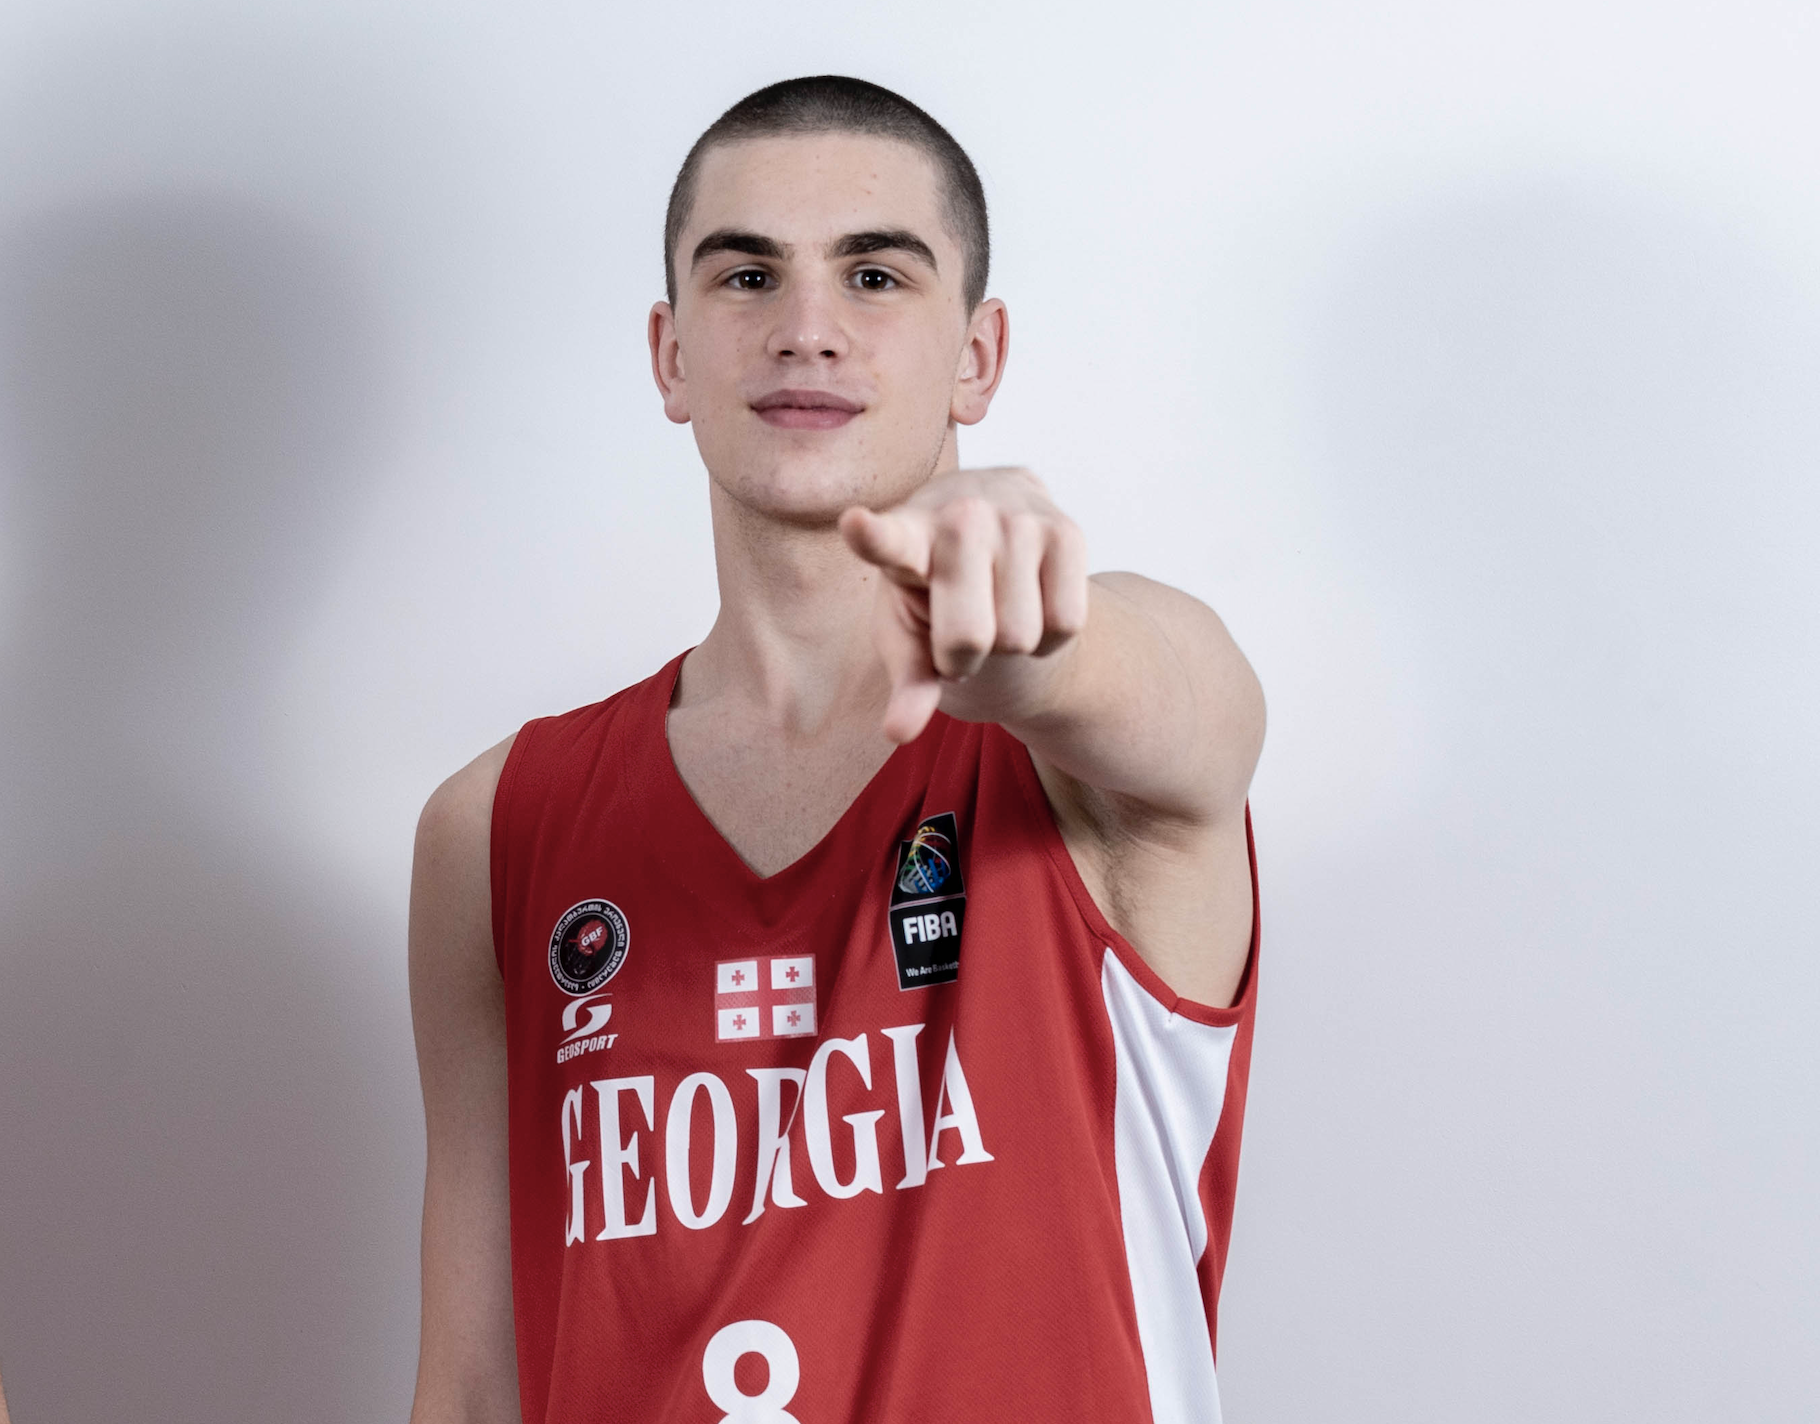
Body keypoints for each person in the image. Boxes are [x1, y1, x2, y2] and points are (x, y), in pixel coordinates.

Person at [407, 76, 1265, 1424]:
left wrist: (1036, 647)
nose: (806, 329)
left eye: (875, 276)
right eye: (747, 276)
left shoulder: (1092, 757)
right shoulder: (495, 826)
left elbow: (1192, 708)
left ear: (977, 355)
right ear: (670, 355)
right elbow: (471, 1388)